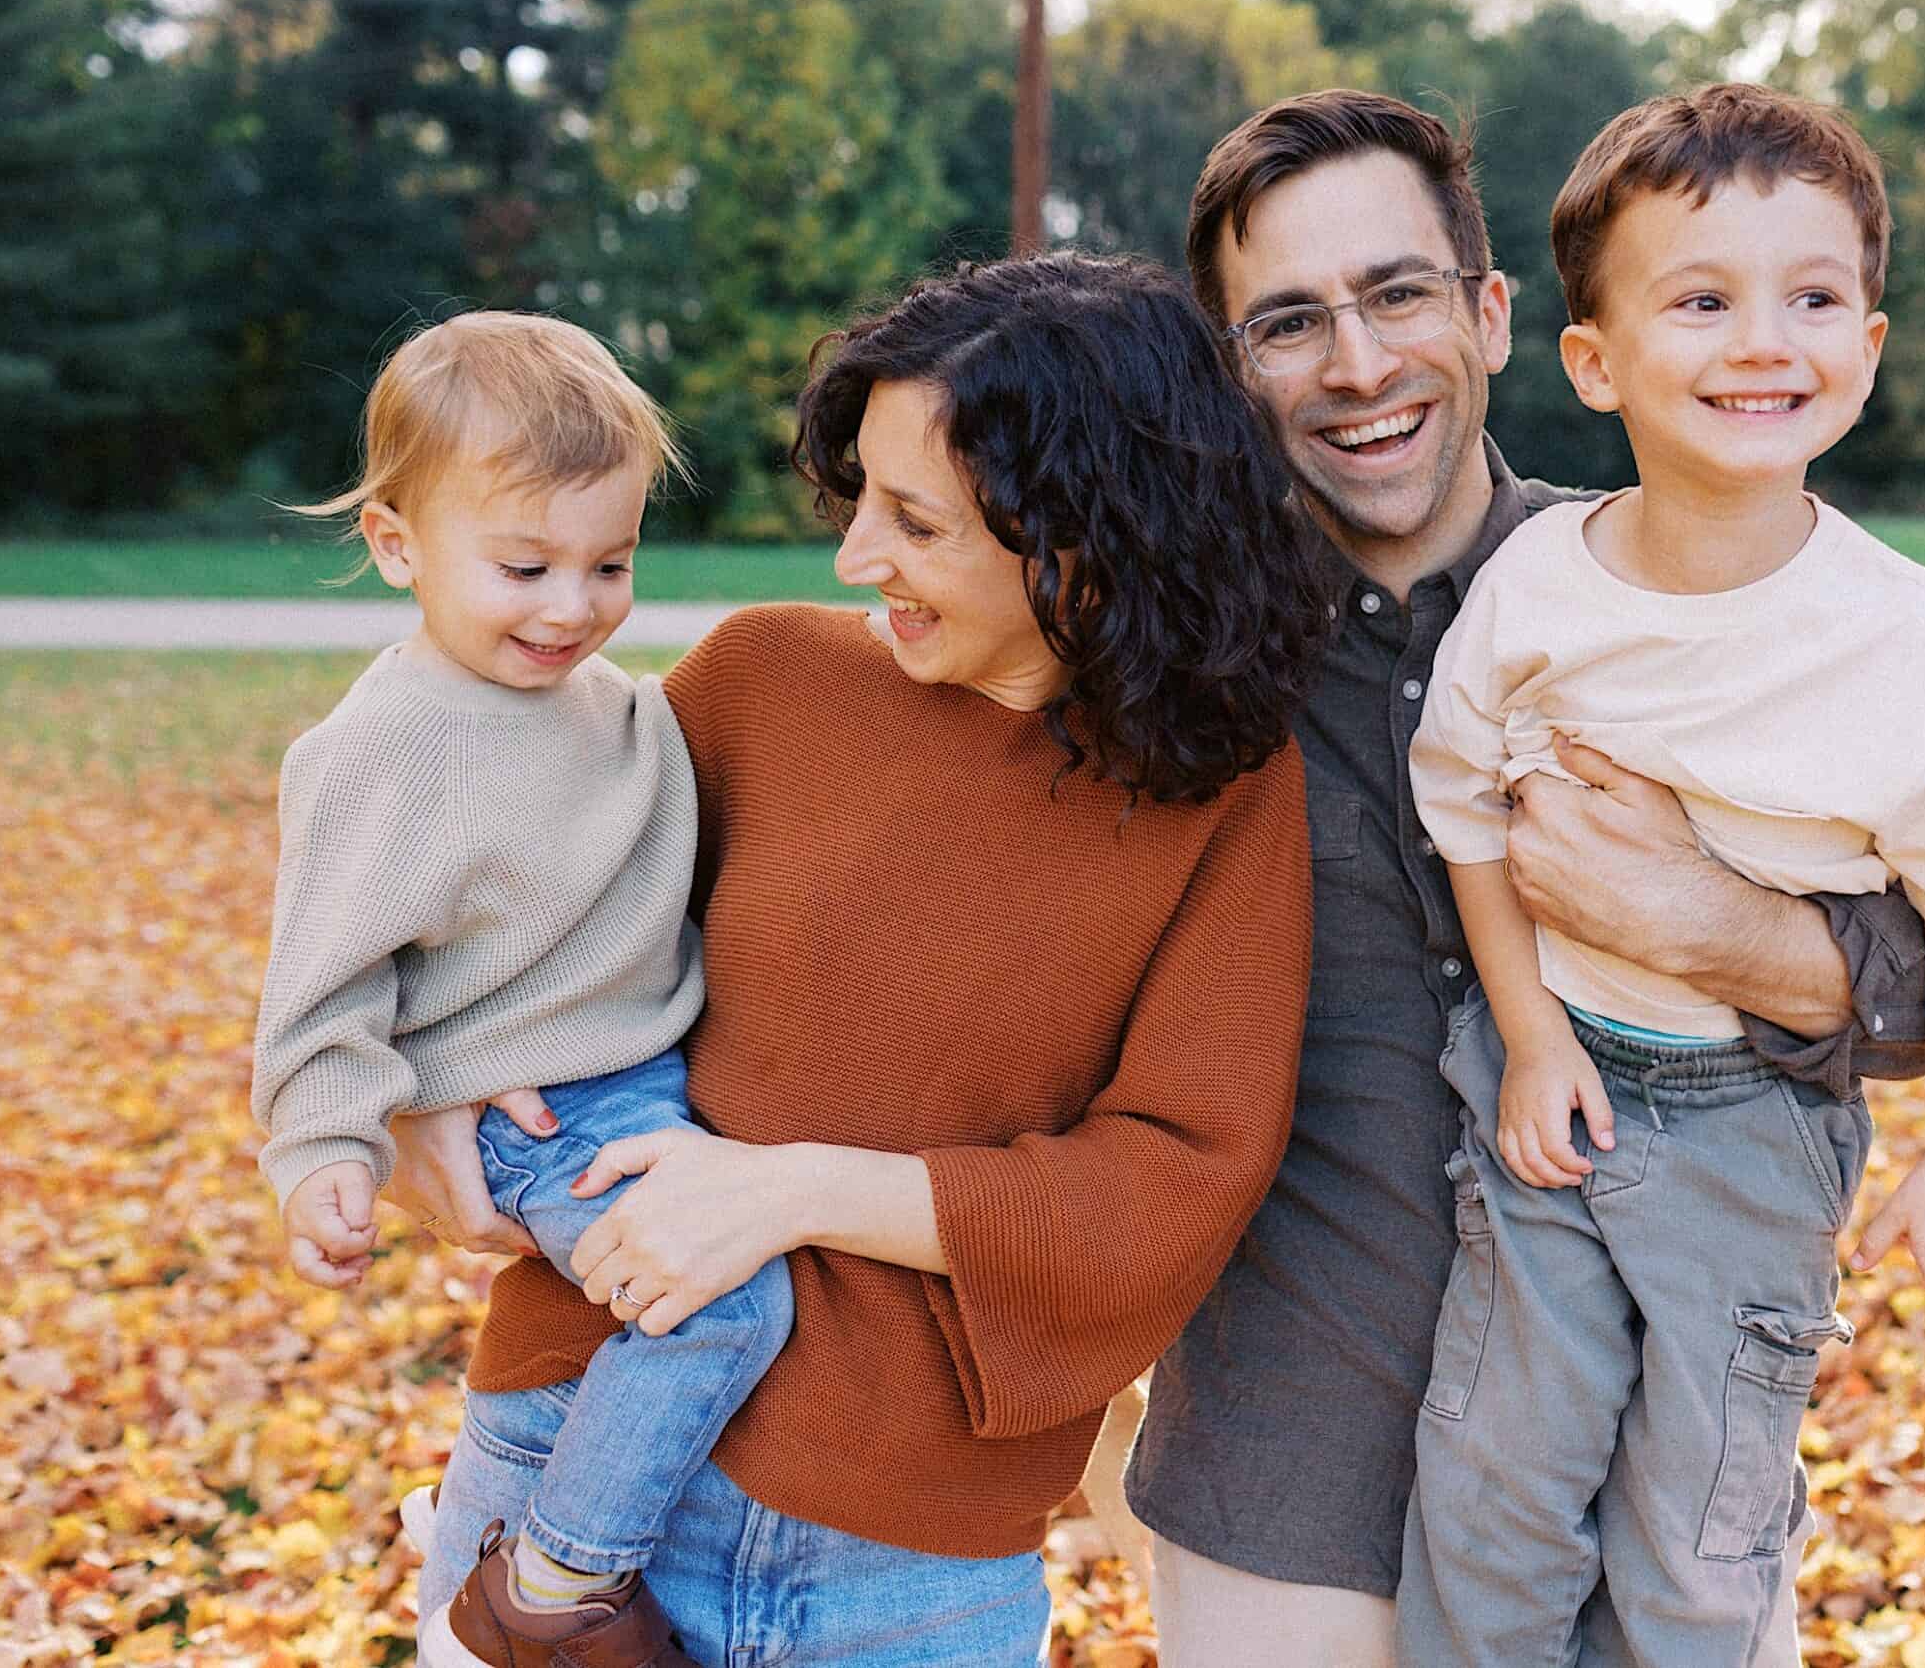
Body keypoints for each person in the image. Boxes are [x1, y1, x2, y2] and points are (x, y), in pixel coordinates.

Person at [1124, 89, 1925, 1667]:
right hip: (1286, 1479)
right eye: (1288, 323)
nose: (1358, 365)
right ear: (1233, 372)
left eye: (1400, 293)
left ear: (1495, 317)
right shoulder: (1170, 670)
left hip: (1666, 1479)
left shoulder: (1677, 588)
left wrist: (1722, 929)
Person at [386, 253, 1332, 1668]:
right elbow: (468, 903)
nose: (855, 558)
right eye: (864, 503)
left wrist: (789, 1192)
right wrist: (420, 1103)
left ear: (1079, 538)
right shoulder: (761, 684)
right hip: (564, 1464)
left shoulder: (1224, 798)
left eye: (917, 521)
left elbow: (1175, 1182)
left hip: (900, 1577)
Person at [1396, 82, 1925, 1666]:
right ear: (1595, 361)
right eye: (1702, 301)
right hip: (1552, 1100)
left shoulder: (1906, 641)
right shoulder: (1537, 585)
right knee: (1492, 1503)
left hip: (1762, 1132)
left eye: (1813, 298)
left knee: (1700, 1550)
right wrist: (1536, 1034)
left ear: (1870, 347)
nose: (1765, 340)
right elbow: (1471, 817)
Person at [250, 310, 788, 1668]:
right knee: (721, 1303)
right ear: (396, 546)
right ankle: (552, 1581)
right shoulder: (389, 744)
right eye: (525, 566)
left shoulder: (617, 709)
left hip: (649, 1082)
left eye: (610, 563)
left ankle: (545, 1521)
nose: (571, 606)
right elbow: (325, 977)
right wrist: (327, 1143)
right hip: (548, 1112)